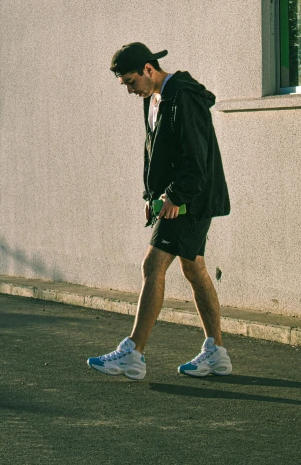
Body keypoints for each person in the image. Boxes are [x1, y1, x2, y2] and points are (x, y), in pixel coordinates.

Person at [87, 42, 232, 381]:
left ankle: (133, 354)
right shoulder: (152, 100)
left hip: (189, 201)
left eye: (130, 81)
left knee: (152, 265)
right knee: (195, 270)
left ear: (148, 70)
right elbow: (156, 154)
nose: (128, 89)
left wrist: (174, 197)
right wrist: (150, 197)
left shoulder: (183, 98)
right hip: (173, 201)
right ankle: (217, 353)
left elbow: (196, 158)